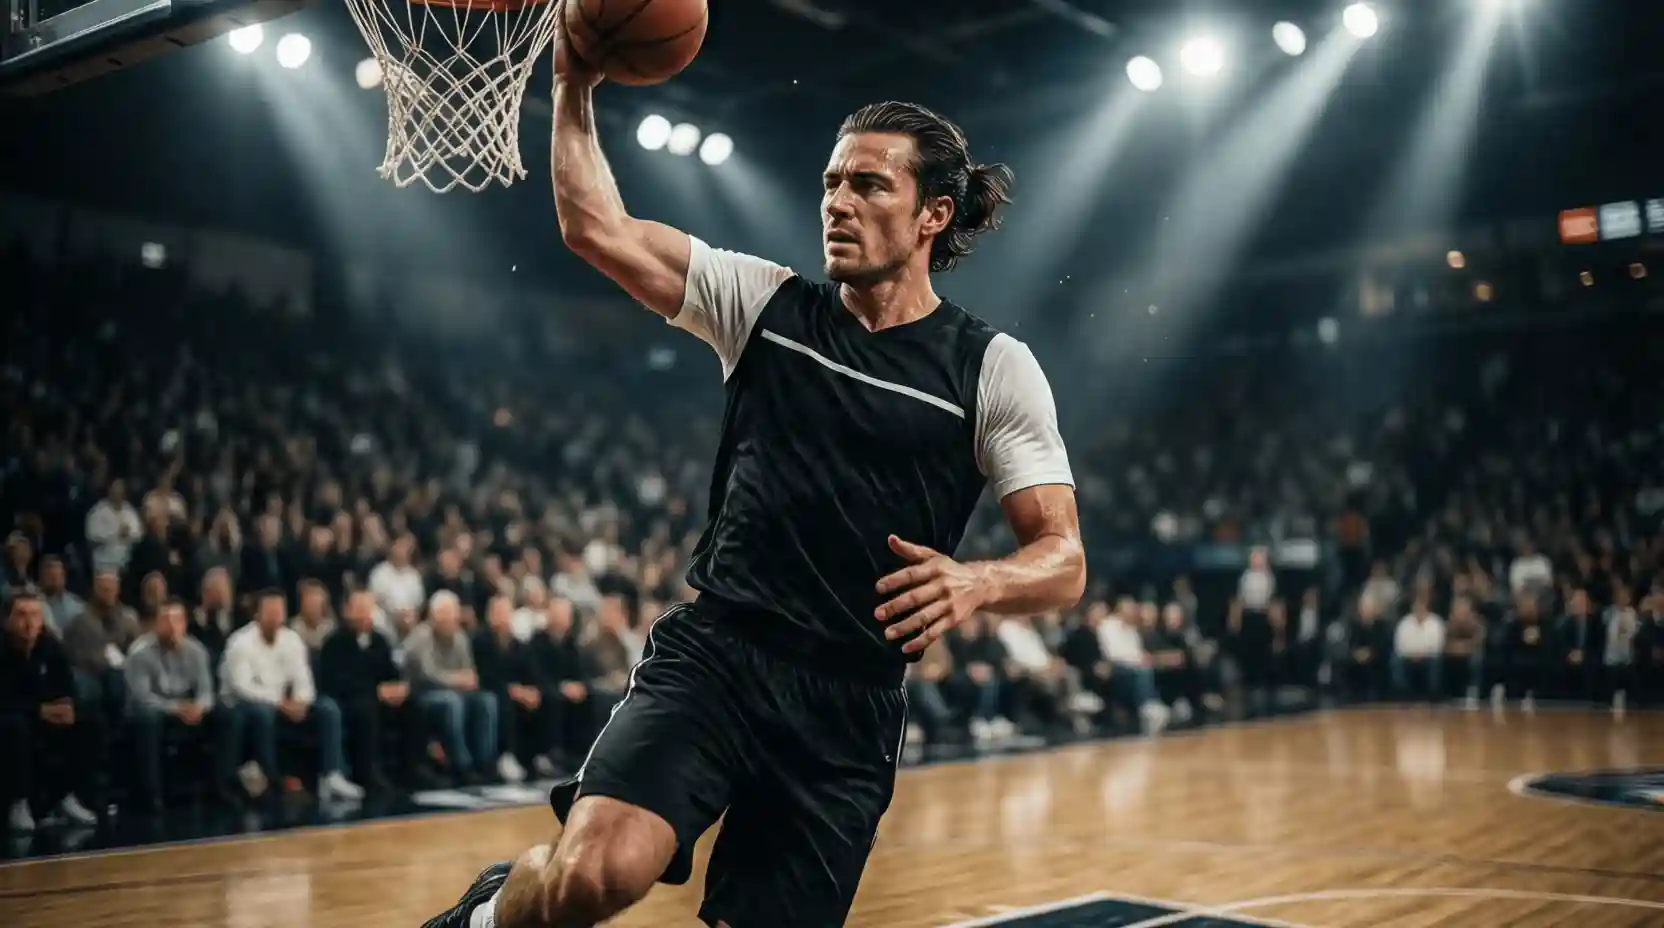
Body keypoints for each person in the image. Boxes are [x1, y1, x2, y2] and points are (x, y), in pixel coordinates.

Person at [423, 25, 1084, 928]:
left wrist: (980, 581)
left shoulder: (992, 368)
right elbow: (596, 228)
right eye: (829, 183)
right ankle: (487, 917)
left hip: (849, 704)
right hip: (720, 656)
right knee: (590, 878)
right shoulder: (765, 304)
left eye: (867, 184)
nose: (837, 203)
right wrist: (575, 86)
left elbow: (1062, 558)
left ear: (933, 214)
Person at [1, 590, 102, 831]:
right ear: (6, 620)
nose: (30, 623)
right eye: (22, 615)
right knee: (15, 727)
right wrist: (38, 710)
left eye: (35, 615)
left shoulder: (50, 644)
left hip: (42, 714)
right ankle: (18, 803)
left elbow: (67, 686)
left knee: (89, 721)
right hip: (12, 717)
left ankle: (65, 797)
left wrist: (68, 706)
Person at [123, 598, 216, 811]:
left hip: (182, 710)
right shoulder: (140, 652)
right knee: (148, 718)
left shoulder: (196, 650)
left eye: (178, 619)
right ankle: (152, 794)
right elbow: (141, 697)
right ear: (156, 623)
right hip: (148, 711)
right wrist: (177, 708)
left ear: (185, 623)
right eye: (166, 619)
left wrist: (198, 707)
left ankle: (214, 790)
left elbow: (206, 692)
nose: (173, 626)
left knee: (221, 713)